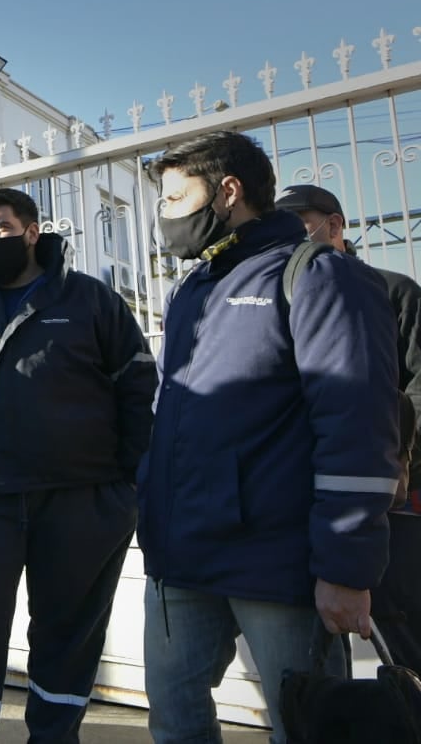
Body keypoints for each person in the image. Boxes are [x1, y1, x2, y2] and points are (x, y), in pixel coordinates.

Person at [140, 132, 400, 743]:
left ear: (228, 192)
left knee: (303, 726)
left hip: (277, 565)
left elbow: (358, 428)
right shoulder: (192, 290)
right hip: (181, 560)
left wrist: (346, 567)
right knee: (175, 721)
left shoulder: (319, 277)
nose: (165, 216)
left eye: (176, 198)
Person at [0, 188, 157, 742]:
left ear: (32, 231)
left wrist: (125, 483)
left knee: (68, 630)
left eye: (2, 226)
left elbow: (139, 386)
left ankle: (54, 733)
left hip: (81, 499)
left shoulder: (92, 301)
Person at [276, 182, 421, 670]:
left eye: (300, 227)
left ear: (333, 226)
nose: (290, 241)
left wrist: (399, 458)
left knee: (402, 623)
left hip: (393, 497)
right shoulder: (285, 293)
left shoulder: (393, 289)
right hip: (313, 497)